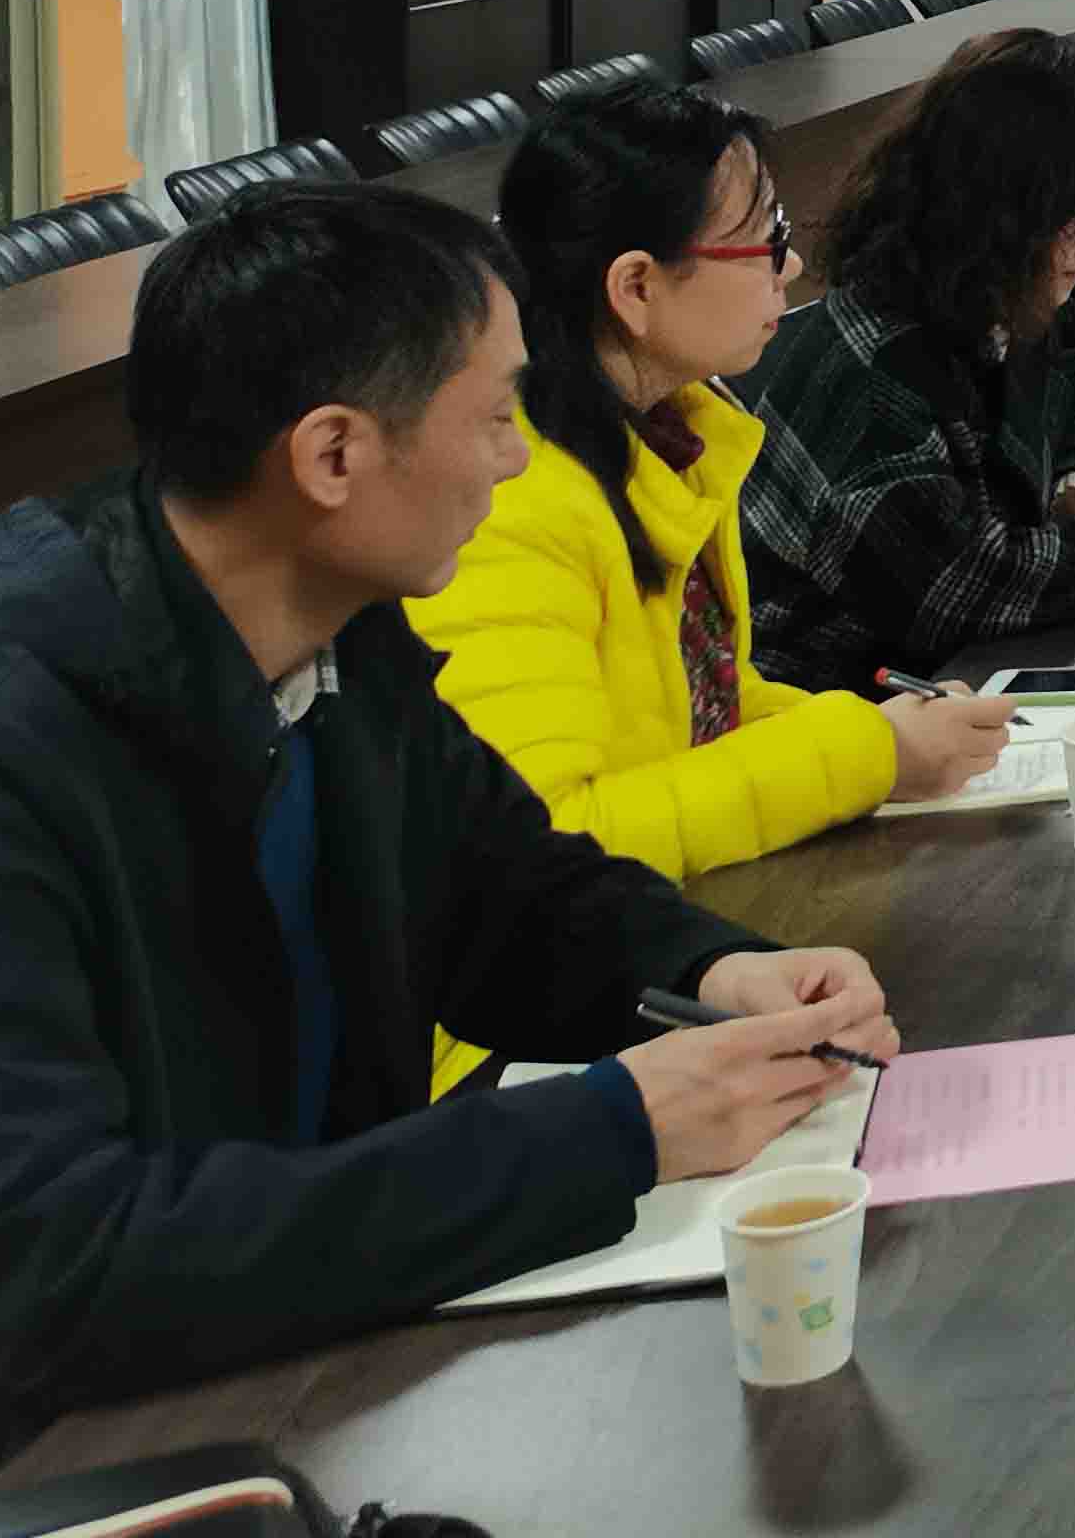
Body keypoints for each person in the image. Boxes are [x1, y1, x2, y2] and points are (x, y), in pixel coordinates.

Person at [0, 185, 904, 1512]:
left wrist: (716, 972)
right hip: (51, 1474)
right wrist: (608, 1133)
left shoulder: (332, 613)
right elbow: (47, 1266)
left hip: (303, 1376)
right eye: (497, 415)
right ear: (333, 455)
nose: (518, 460)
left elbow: (505, 895)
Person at [410, 87, 1014, 1089]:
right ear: (637, 286)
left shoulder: (671, 429)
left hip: (662, 949)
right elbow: (554, 845)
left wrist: (877, 732)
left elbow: (700, 706)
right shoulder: (513, 506)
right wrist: (865, 752)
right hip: (517, 1048)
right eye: (765, 239)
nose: (793, 268)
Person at [744, 30, 1075, 695]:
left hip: (969, 688)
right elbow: (957, 592)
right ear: (1006, 209)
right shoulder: (868, 369)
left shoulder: (1013, 305)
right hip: (845, 715)